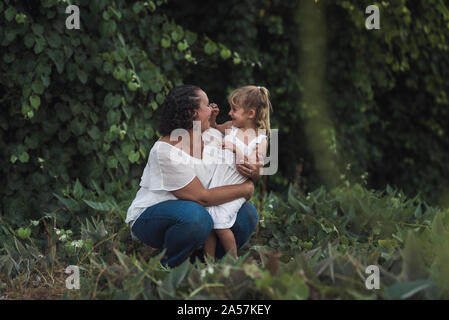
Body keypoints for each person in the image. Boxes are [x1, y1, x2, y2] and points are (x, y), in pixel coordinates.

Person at [125, 84, 260, 268]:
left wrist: (253, 169)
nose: (212, 109)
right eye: (206, 105)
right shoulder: (165, 151)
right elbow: (201, 198)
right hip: (151, 217)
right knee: (196, 216)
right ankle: (165, 268)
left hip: (197, 213)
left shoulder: (211, 136)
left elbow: (244, 146)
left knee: (247, 214)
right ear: (192, 113)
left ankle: (201, 265)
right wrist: (246, 188)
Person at [203, 85, 271, 260]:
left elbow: (255, 173)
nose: (230, 113)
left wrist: (236, 150)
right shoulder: (230, 127)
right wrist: (213, 119)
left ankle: (234, 262)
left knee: (220, 224)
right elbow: (214, 128)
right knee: (209, 222)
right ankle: (208, 265)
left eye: (235, 109)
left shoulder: (260, 140)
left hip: (236, 188)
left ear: (250, 114)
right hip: (218, 183)